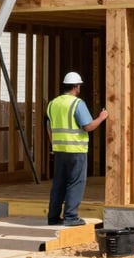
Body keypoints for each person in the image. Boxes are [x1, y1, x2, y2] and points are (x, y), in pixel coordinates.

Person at [46, 71, 108, 227]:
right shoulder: (77, 104)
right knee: (75, 183)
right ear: (76, 86)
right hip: (76, 150)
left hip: (59, 150)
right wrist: (101, 117)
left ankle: (53, 218)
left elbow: (49, 126)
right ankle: (71, 217)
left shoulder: (53, 103)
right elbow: (88, 126)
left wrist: (54, 144)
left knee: (59, 183)